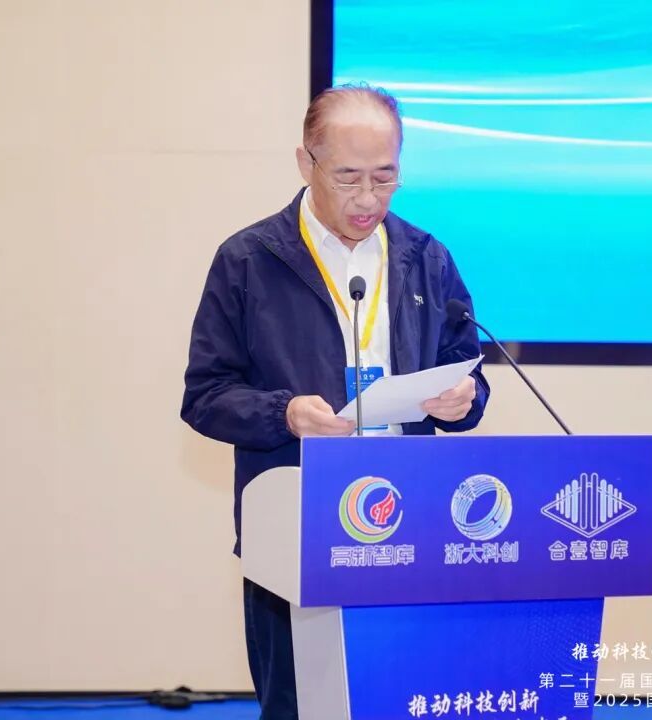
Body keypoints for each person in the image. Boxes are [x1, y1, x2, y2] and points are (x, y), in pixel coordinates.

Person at [180, 84, 490, 719]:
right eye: (349, 177)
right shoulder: (249, 261)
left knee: (401, 699)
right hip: (297, 525)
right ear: (306, 163)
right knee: (298, 704)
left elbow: (470, 371)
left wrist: (465, 399)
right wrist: (283, 413)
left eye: (385, 176)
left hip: (410, 523)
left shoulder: (426, 258)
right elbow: (205, 395)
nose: (369, 198)